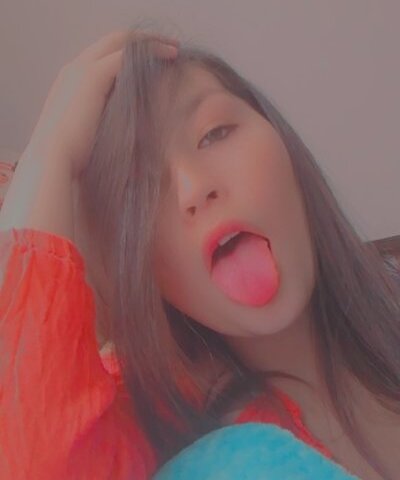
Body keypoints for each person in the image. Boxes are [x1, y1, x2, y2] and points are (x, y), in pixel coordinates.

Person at [0, 24, 399, 480]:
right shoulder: (153, 426)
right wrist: (49, 154)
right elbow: (32, 457)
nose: (193, 188)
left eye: (214, 134)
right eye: (140, 189)